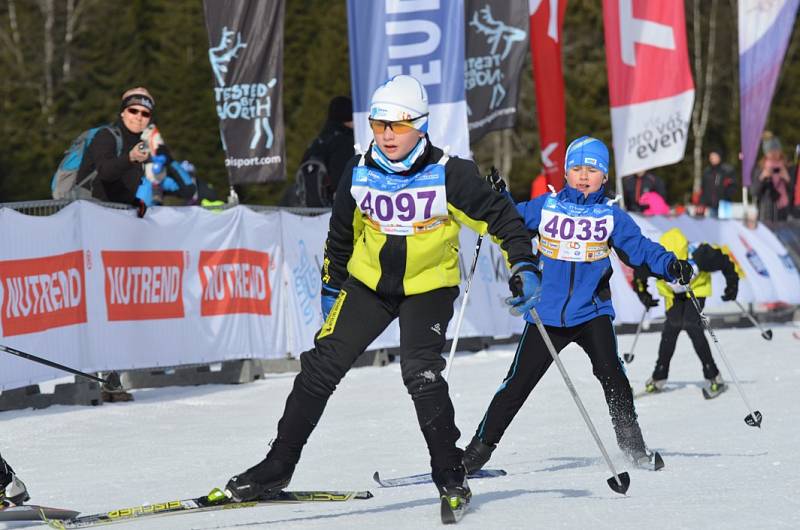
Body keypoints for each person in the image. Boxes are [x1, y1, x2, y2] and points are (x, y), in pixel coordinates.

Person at [224, 75, 538, 513]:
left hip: (427, 289)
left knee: (420, 372)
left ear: (421, 125)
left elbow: (502, 220)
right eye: (379, 124)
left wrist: (524, 264)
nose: (387, 134)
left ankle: (451, 474)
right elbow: (340, 237)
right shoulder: (359, 169)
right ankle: (277, 465)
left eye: (399, 124)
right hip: (368, 285)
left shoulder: (450, 172)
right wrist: (333, 288)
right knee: (320, 367)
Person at [462, 136, 693, 474]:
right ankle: (476, 453)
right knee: (517, 384)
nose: (584, 175)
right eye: (576, 168)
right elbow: (510, 218)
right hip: (547, 313)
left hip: (591, 312)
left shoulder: (610, 216)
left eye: (592, 170)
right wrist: (499, 196)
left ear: (604, 176)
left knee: (613, 375)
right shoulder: (547, 206)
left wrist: (671, 265)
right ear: (566, 173)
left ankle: (633, 447)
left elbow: (640, 249)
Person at [633, 228, 739, 398]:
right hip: (673, 295)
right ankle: (659, 376)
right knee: (672, 326)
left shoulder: (701, 254)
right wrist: (644, 295)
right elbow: (638, 275)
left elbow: (725, 262)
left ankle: (714, 376)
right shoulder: (656, 259)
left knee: (691, 324)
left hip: (696, 289)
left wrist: (732, 284)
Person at [77, 87, 164, 216]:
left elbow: (118, 187)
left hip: (116, 217)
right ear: (123, 112)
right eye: (133, 111)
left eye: (145, 113)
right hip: (90, 216)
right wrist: (130, 158)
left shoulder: (139, 144)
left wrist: (134, 202)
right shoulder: (106, 136)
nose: (138, 117)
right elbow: (106, 173)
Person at [292, 96, 355, 207]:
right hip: (334, 209)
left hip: (310, 209)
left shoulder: (317, 141)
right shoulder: (345, 141)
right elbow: (342, 180)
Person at [751, 135, 794, 222]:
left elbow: (795, 191)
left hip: (784, 213)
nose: (774, 154)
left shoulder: (788, 168)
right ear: (766, 153)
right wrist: (762, 177)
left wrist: (787, 178)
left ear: (780, 151)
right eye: (770, 151)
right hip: (766, 213)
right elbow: (754, 192)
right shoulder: (760, 168)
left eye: (776, 151)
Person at [699, 150, 737, 218]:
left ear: (719, 157)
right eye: (711, 157)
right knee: (712, 226)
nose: (712, 159)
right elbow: (703, 189)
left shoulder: (727, 170)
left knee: (725, 225)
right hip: (710, 206)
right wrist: (702, 203)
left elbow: (733, 186)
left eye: (714, 156)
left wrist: (726, 195)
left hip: (724, 205)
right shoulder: (707, 172)